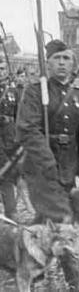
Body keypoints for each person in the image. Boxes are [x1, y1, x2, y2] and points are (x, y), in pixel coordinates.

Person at [16, 40, 79, 291]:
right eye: (57, 58)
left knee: (43, 219)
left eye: (67, 58)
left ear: (74, 63)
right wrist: (47, 160)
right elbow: (27, 129)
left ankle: (28, 260)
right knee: (63, 218)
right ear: (47, 62)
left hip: (68, 166)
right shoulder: (35, 91)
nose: (62, 63)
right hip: (41, 168)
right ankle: (76, 279)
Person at [0, 59, 19, 220]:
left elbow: (19, 115)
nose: (1, 72)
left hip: (9, 139)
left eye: (3, 68)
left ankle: (11, 212)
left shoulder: (13, 92)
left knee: (7, 175)